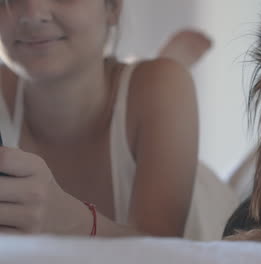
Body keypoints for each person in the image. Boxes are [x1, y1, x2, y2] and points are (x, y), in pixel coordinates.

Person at [0, 0, 211, 237]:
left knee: (164, 80)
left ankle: (160, 70)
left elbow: (159, 251)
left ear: (113, 8)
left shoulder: (165, 84)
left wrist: (70, 219)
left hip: (208, 205)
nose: (33, 14)